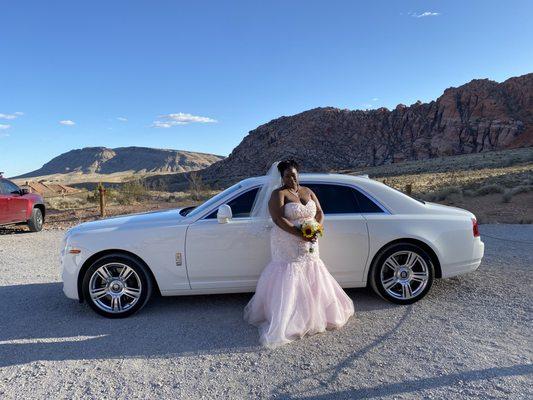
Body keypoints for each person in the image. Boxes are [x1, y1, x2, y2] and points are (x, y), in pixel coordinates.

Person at [244, 159, 354, 348]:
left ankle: (315, 315)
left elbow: (319, 212)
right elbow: (278, 219)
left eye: (294, 175)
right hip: (287, 241)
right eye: (287, 176)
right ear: (282, 177)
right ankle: (290, 320)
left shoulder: (308, 191)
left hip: (311, 240)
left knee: (312, 270)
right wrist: (301, 234)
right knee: (290, 275)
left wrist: (316, 229)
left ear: (298, 174)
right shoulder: (278, 194)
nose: (291, 178)